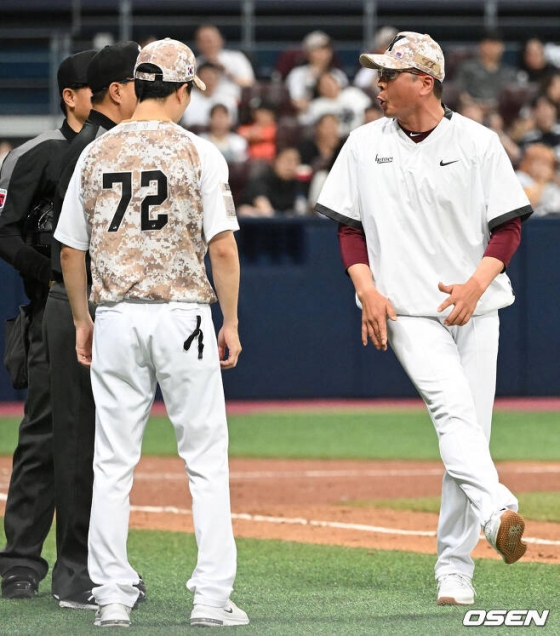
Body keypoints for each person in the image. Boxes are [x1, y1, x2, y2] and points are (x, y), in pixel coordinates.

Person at [315, 31, 532, 607]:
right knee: (453, 410)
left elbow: (508, 226)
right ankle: (497, 511)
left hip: (476, 305)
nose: (379, 84)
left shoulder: (478, 142)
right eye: (379, 74)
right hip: (408, 308)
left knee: (470, 433)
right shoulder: (363, 143)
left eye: (390, 74)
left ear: (425, 82)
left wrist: (477, 283)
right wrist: (366, 289)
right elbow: (349, 227)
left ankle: (455, 570)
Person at [54, 37, 248, 629]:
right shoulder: (198, 151)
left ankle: (111, 595)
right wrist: (231, 320)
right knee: (205, 460)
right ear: (182, 90)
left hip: (115, 316)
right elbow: (222, 246)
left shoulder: (95, 150)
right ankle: (211, 599)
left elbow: (70, 251)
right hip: (182, 315)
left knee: (112, 461)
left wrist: (83, 319)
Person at [44, 40, 143, 610]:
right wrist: (82, 314)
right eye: (137, 82)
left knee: (103, 442)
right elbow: (66, 246)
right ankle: (77, 572)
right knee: (82, 442)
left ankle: (105, 566)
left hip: (93, 303)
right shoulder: (91, 148)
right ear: (118, 90)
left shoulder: (102, 143)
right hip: (80, 303)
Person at [0, 49, 96, 602]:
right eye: (94, 88)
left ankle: (92, 564)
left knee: (102, 443)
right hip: (49, 313)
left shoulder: (117, 149)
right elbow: (4, 230)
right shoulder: (36, 153)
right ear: (70, 96)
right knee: (43, 436)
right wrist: (53, 276)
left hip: (109, 315)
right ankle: (20, 560)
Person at [453, 29, 518, 113]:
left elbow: (511, 97)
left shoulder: (509, 72)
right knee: (472, 114)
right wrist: (474, 104)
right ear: (481, 46)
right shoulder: (467, 68)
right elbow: (459, 91)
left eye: (496, 45)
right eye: (490, 44)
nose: (493, 48)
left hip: (498, 109)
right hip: (473, 107)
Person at [285, 30, 348, 115]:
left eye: (327, 49)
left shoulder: (338, 74)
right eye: (319, 50)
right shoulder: (298, 74)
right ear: (308, 53)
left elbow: (345, 99)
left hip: (336, 115)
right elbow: (298, 102)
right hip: (310, 116)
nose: (324, 53)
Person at [298, 70, 372, 136]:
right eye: (324, 85)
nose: (329, 87)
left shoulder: (352, 93)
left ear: (337, 83)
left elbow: (370, 110)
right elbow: (303, 121)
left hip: (362, 134)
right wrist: (302, 109)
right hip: (337, 141)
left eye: (330, 83)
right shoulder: (317, 105)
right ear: (319, 90)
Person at [195, 24, 255, 103]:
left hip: (232, 104)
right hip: (202, 103)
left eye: (210, 40)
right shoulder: (194, 63)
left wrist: (227, 72)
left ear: (221, 40)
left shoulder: (236, 58)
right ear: (198, 44)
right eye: (204, 41)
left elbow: (249, 83)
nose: (208, 44)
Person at [238, 146, 304, 217]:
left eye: (296, 161)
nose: (291, 165)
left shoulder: (298, 184)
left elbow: (303, 210)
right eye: (287, 160)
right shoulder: (261, 180)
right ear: (275, 161)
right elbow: (266, 212)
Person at [180, 62, 238, 129]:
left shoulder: (227, 99)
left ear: (217, 79)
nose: (209, 82)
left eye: (211, 78)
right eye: (205, 78)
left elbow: (232, 124)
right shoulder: (187, 98)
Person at [516, 142, 560, 216]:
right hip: (528, 221)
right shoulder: (521, 177)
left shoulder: (551, 184)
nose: (546, 168)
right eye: (543, 163)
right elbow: (527, 204)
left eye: (549, 164)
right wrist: (542, 181)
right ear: (529, 163)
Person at [518, 93, 560, 161]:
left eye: (549, 108)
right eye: (541, 109)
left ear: (555, 110)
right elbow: (522, 158)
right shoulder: (528, 138)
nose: (546, 113)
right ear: (534, 112)